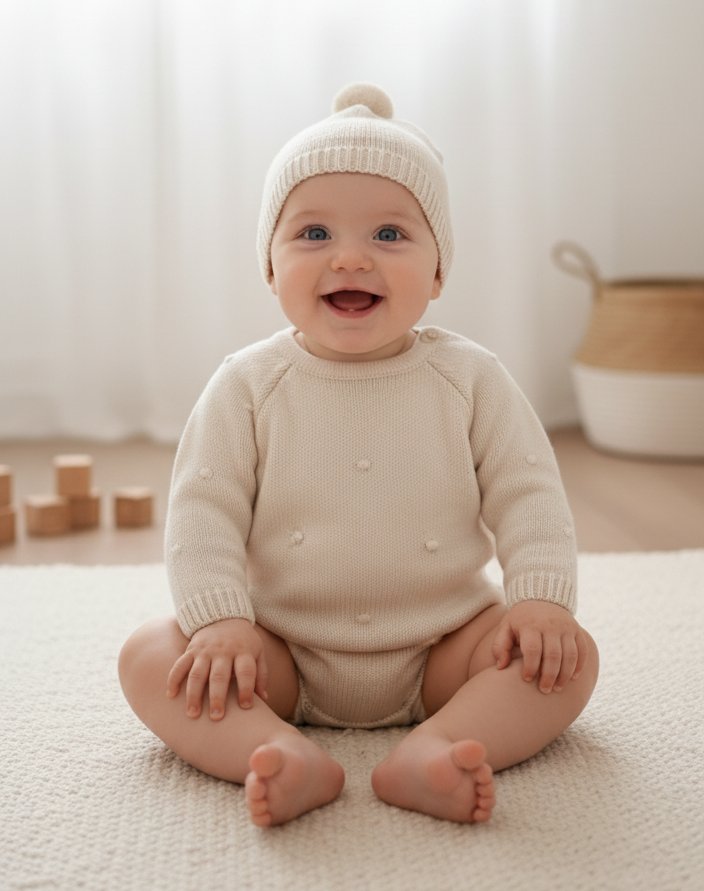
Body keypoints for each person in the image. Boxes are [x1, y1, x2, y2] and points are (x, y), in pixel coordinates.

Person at [118, 83, 599, 828]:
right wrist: (219, 622)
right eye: (312, 234)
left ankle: (438, 746)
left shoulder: (472, 379)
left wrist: (539, 601)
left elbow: (528, 492)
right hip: (278, 651)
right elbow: (202, 510)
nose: (350, 256)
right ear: (270, 267)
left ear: (439, 272)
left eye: (389, 235)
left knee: (568, 661)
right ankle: (276, 748)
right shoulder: (247, 383)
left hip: (445, 648)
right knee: (150, 655)